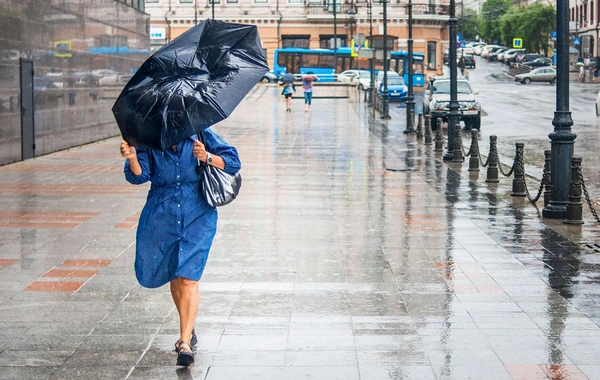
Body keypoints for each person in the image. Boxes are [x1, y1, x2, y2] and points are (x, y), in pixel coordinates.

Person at [120, 130, 241, 367]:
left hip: (198, 213)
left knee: (188, 278)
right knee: (176, 274)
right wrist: (133, 157)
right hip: (161, 214)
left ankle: (184, 341)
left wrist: (206, 156)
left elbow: (233, 161)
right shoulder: (148, 140)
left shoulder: (200, 135)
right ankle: (189, 325)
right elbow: (138, 176)